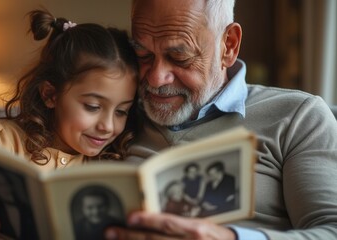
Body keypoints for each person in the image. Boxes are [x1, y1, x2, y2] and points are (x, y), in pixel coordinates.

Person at [104, 0, 337, 239]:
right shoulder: (113, 115)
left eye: (179, 57)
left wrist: (229, 237)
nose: (155, 79)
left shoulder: (298, 116)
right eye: (142, 54)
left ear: (229, 45)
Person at [0, 8, 139, 237]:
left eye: (121, 111)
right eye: (93, 107)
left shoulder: (108, 167)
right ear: (50, 95)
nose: (108, 125)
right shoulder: (5, 139)